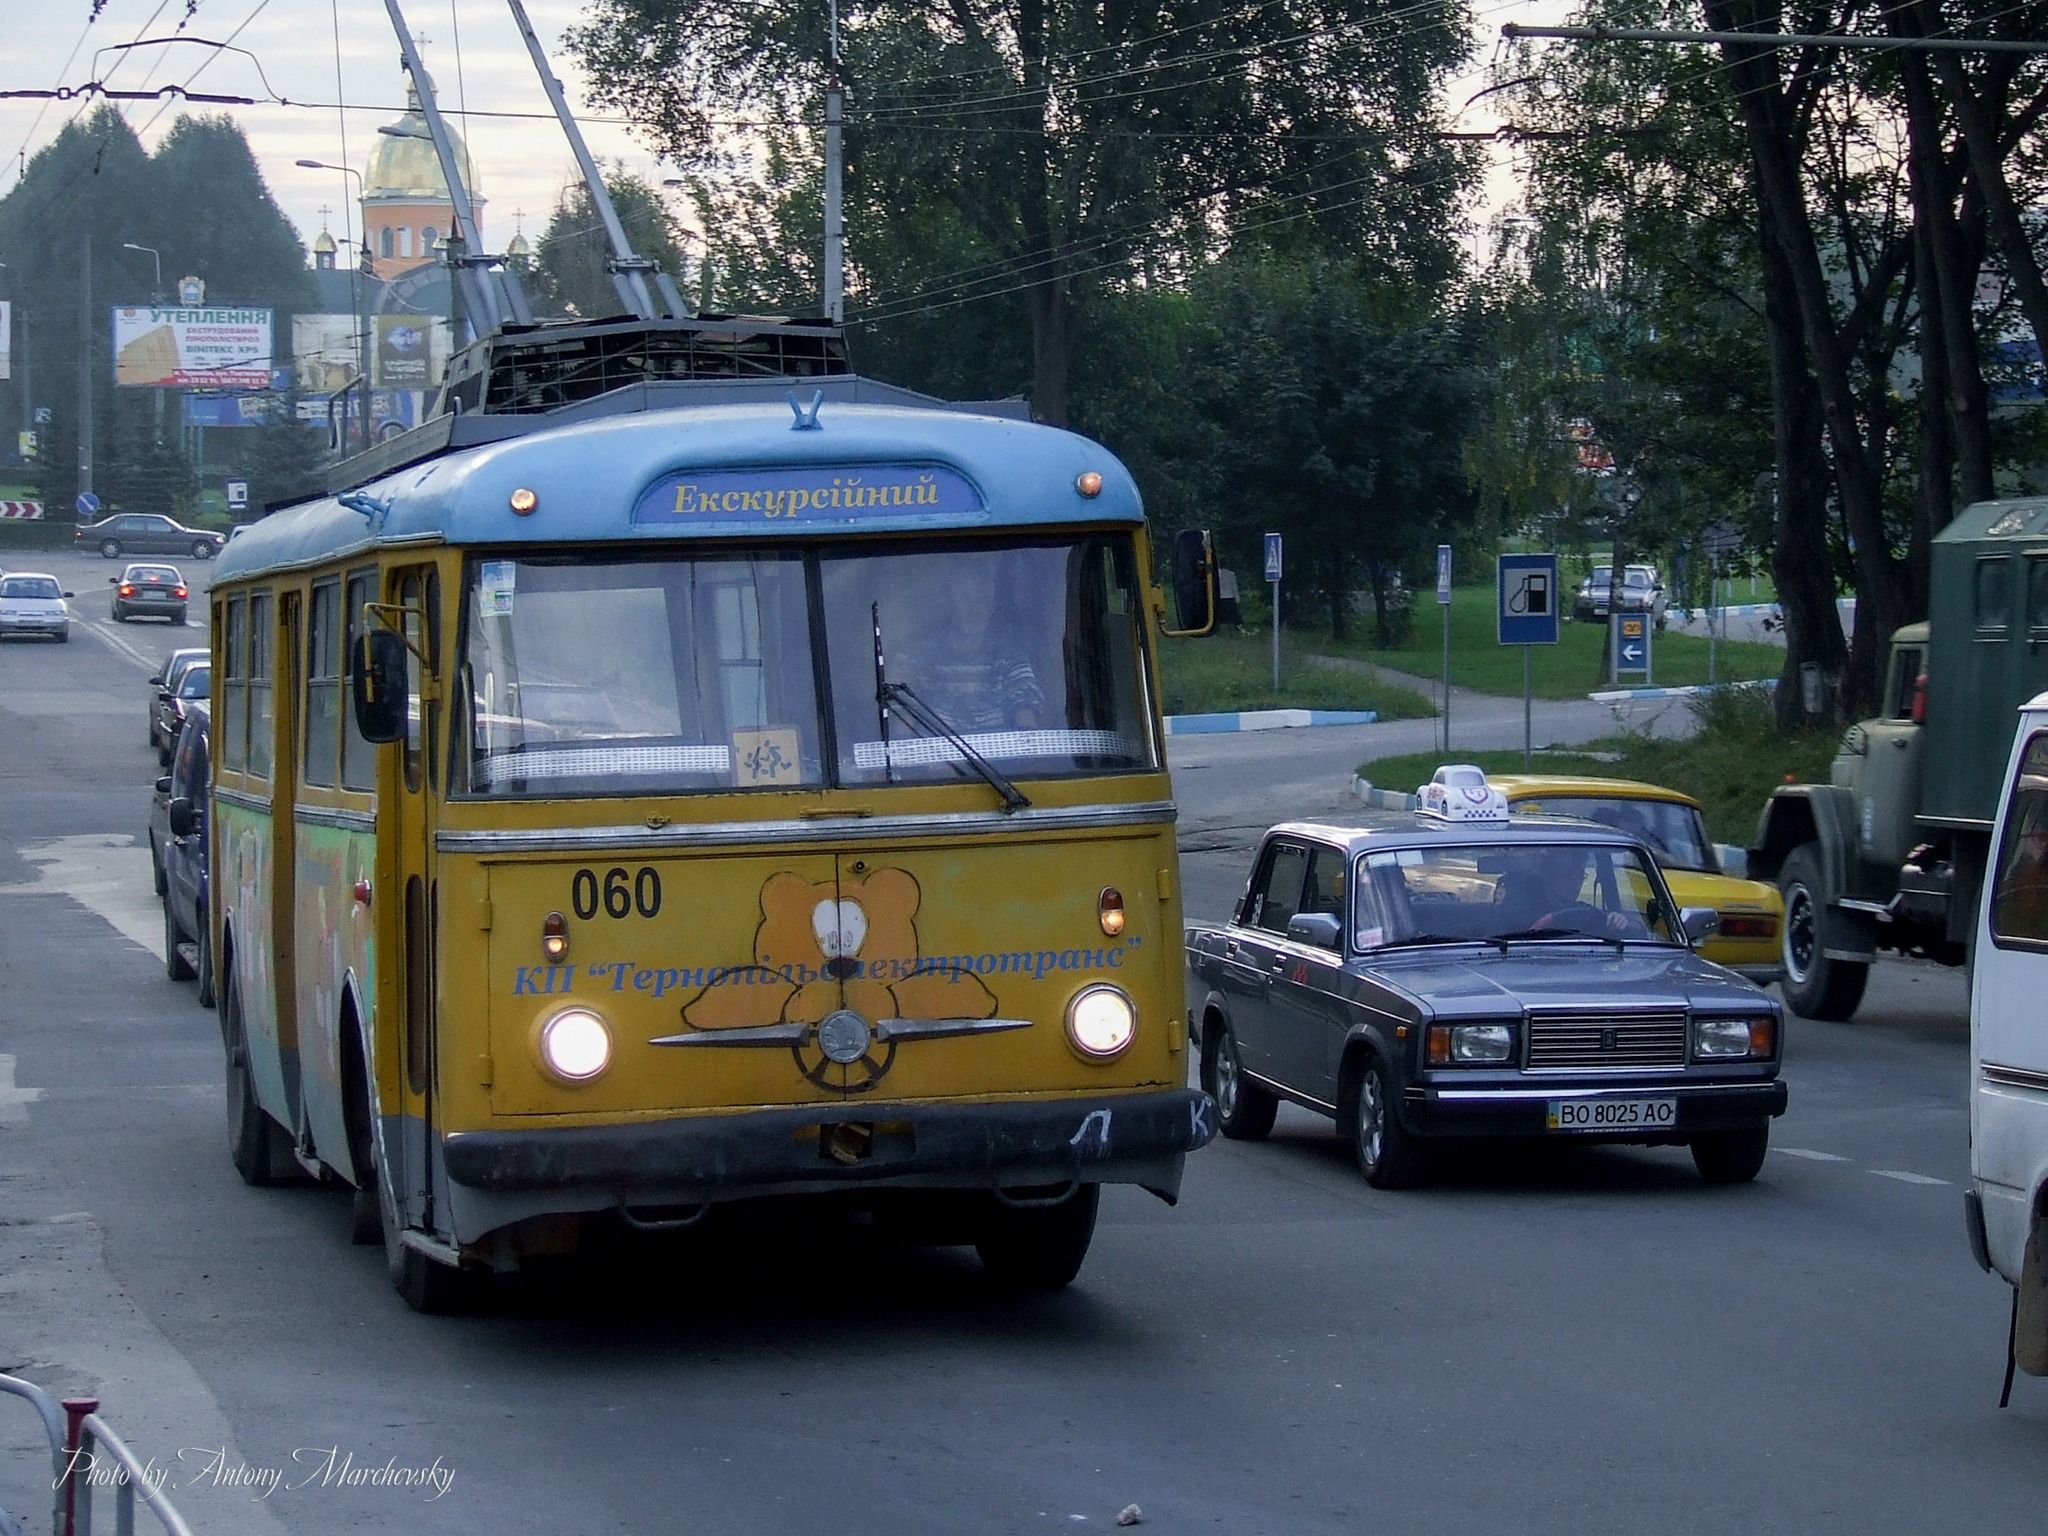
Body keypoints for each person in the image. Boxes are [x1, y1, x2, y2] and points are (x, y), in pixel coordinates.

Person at [895, 555, 1045, 733]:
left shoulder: (1009, 655)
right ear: (949, 601)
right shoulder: (916, 659)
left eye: (983, 599)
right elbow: (901, 733)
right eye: (966, 597)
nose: (975, 608)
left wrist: (1026, 729)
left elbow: (1027, 719)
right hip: (937, 760)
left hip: (995, 762)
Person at [1493, 848, 1638, 935]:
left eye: (1580, 875)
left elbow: (1616, 930)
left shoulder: (1585, 912)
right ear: (1548, 874)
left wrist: (1616, 922)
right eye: (1568, 873)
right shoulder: (1520, 909)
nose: (1575, 881)